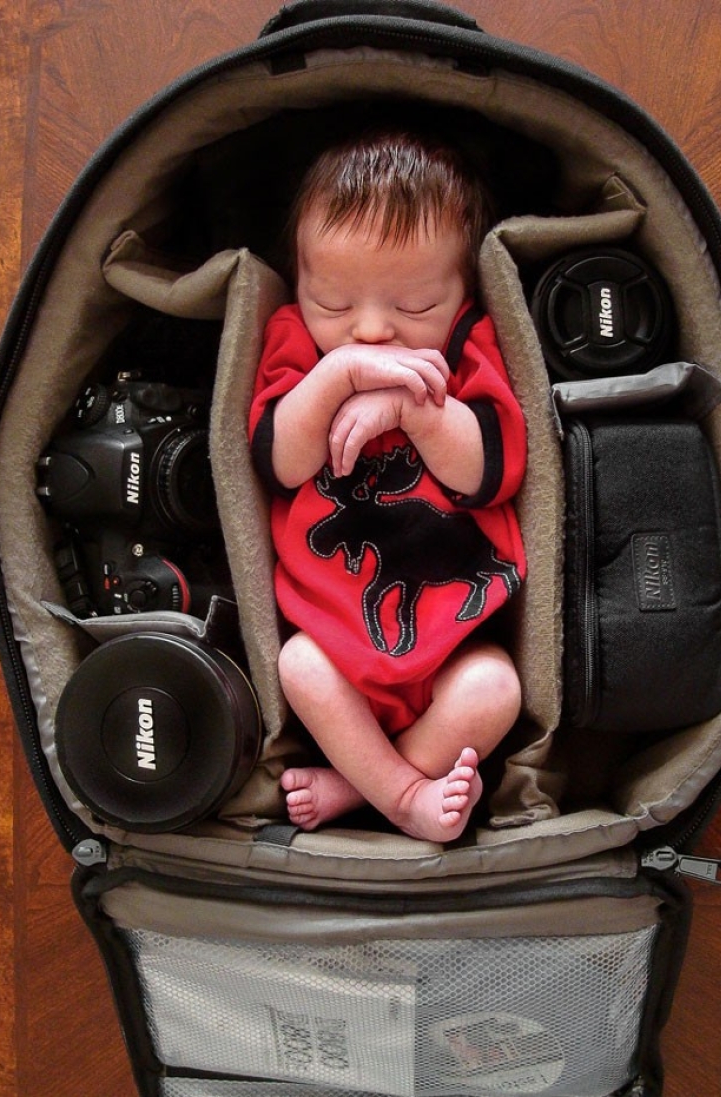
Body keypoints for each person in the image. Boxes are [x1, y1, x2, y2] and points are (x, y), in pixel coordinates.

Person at [249, 129, 526, 843]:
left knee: (495, 689)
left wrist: (411, 409)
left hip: (453, 644)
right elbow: (278, 461)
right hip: (330, 643)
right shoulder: (295, 344)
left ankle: (364, 783)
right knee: (296, 665)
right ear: (299, 284)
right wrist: (334, 377)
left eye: (413, 308)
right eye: (334, 304)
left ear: (463, 294)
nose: (371, 332)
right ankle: (403, 793)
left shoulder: (467, 345)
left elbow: (491, 470)